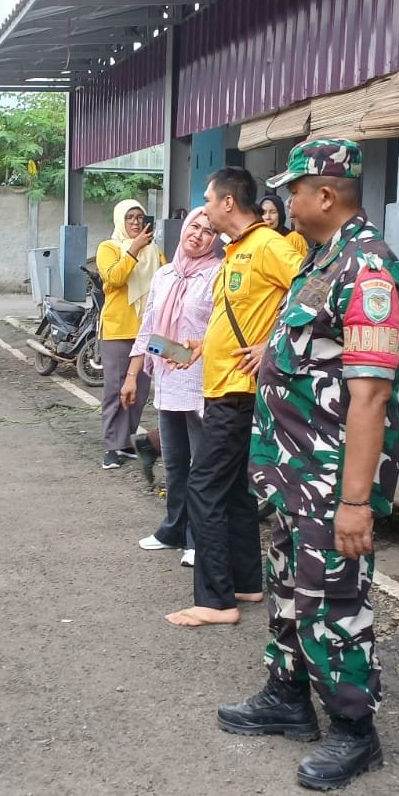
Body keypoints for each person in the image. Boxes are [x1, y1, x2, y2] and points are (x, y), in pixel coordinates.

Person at [219, 139, 399, 791]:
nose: (285, 201)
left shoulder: (369, 269)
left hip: (331, 481)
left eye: (293, 190)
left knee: (335, 600)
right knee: (291, 590)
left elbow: (371, 395)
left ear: (325, 194)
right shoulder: (321, 258)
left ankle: (355, 729)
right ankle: (288, 696)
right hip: (293, 474)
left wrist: (355, 502)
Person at [165, 167, 304, 627]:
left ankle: (215, 600)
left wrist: (272, 345)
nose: (204, 208)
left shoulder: (267, 245)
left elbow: (315, 289)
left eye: (208, 199)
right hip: (226, 385)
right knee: (237, 492)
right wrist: (203, 344)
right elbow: (241, 314)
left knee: (203, 487)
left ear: (227, 202)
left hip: (238, 392)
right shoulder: (237, 249)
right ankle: (245, 582)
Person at [124, 206, 219, 568]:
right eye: (194, 226)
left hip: (200, 381)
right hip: (168, 378)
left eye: (208, 231)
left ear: (215, 240)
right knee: (176, 463)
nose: (198, 234)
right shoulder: (165, 274)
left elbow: (217, 332)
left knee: (201, 465)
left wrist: (182, 354)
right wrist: (133, 375)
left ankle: (198, 538)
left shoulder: (217, 274)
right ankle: (173, 529)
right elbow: (149, 330)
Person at [95, 199, 165, 469]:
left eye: (139, 217)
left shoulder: (155, 251)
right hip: (118, 330)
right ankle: (112, 446)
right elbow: (113, 278)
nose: (135, 222)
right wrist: (134, 249)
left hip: (149, 331)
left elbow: (167, 281)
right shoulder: (109, 247)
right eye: (130, 217)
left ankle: (125, 442)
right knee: (116, 389)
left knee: (140, 390)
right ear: (120, 221)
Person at [260, 191, 309, 256]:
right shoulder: (257, 239)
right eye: (263, 213)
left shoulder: (295, 238)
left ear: (281, 215)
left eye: (273, 212)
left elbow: (305, 261)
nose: (268, 217)